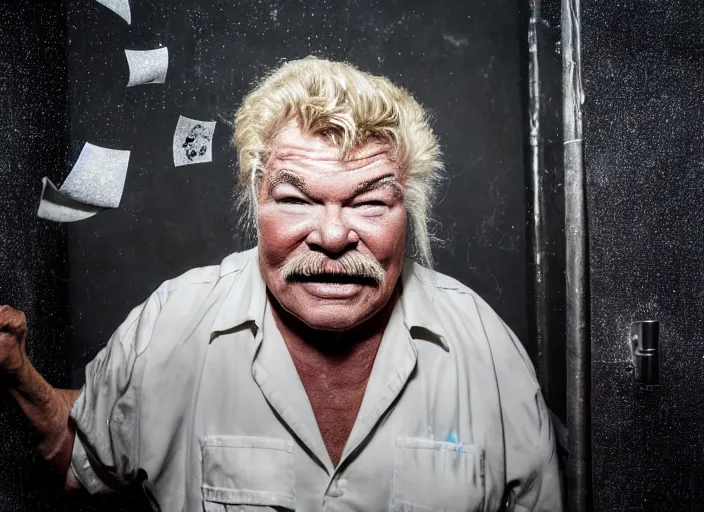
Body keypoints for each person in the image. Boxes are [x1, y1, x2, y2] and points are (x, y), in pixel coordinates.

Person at [0, 57, 562, 511]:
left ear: (408, 212)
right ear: (256, 202)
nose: (334, 235)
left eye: (369, 203)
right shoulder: (174, 324)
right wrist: (19, 375)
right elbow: (82, 455)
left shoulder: (486, 351)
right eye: (296, 200)